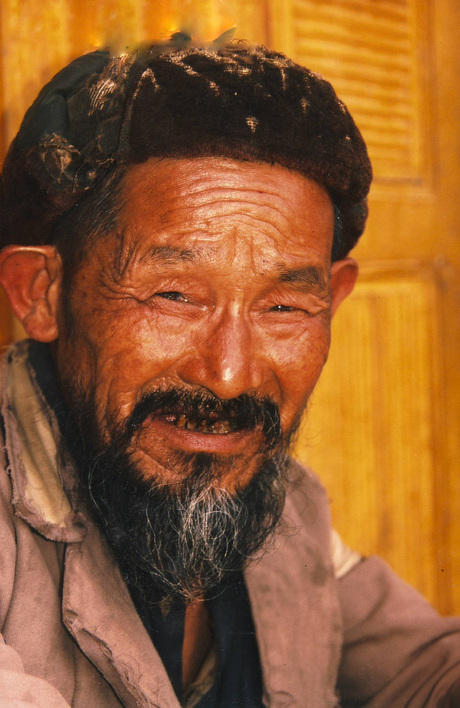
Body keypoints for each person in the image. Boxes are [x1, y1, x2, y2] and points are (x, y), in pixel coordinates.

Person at [0, 40, 458, 708]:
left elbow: (420, 668)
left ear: (333, 300)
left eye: (284, 305)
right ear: (41, 291)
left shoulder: (280, 500)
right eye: (174, 296)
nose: (230, 376)